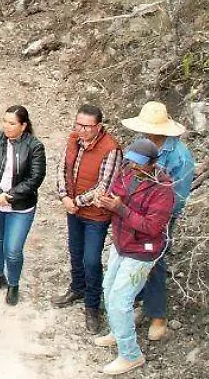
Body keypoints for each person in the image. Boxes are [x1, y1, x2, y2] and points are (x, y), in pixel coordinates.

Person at [91, 137, 177, 375]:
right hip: (121, 244)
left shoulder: (163, 189)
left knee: (121, 299)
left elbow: (151, 226)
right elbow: (116, 193)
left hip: (142, 252)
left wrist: (119, 209)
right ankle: (117, 333)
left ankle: (130, 354)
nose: (135, 166)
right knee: (108, 289)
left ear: (152, 163)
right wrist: (105, 201)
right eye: (132, 161)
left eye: (140, 163)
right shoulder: (128, 172)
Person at [122, 101, 195, 342]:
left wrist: (156, 216)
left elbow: (179, 196)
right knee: (134, 258)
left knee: (155, 262)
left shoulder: (179, 157)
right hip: (134, 213)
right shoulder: (141, 144)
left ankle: (157, 314)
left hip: (159, 217)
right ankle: (138, 303)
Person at [53, 104, 122, 334]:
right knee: (75, 252)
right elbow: (62, 168)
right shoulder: (73, 140)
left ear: (98, 127)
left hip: (95, 215)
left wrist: (77, 202)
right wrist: (64, 196)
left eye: (86, 126)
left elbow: (105, 186)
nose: (81, 130)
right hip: (73, 209)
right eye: (78, 124)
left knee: (91, 259)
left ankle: (93, 305)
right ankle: (77, 287)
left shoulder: (111, 148)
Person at [0, 104, 48, 306]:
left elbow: (36, 177)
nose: (6, 127)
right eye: (5, 122)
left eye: (12, 123)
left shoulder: (34, 146)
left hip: (20, 207)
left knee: (13, 249)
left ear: (23, 125)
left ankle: (14, 284)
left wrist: (9, 196)